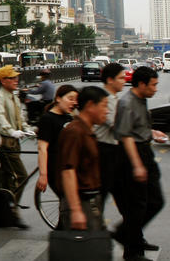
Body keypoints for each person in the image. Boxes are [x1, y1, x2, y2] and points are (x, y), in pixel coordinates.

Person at [112, 65, 167, 261]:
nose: (155, 89)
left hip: (144, 150)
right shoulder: (127, 103)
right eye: (153, 85)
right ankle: (131, 250)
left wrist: (153, 133)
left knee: (155, 201)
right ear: (141, 84)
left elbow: (139, 128)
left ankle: (127, 235)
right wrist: (136, 165)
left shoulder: (142, 99)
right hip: (132, 155)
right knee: (137, 206)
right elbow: (125, 136)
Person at [56, 85, 108, 232]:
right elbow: (68, 171)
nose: (107, 111)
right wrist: (76, 210)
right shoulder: (75, 132)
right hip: (81, 203)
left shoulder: (87, 130)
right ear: (91, 105)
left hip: (91, 202)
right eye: (104, 106)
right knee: (81, 252)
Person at [0, 64, 34, 228]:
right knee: (21, 176)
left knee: (6, 179)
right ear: (3, 81)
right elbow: (0, 118)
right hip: (5, 143)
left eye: (16, 77)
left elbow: (20, 119)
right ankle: (10, 210)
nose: (16, 80)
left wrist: (27, 129)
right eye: (12, 78)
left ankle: (1, 211)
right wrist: (11, 131)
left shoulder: (14, 97)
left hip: (14, 142)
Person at [35, 84, 78, 196]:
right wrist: (43, 175)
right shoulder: (47, 119)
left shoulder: (69, 117)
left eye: (76, 100)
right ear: (58, 98)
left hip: (69, 166)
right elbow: (42, 148)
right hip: (56, 168)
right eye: (70, 99)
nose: (74, 103)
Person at [94, 61, 125, 209]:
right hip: (103, 151)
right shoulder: (103, 99)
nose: (124, 81)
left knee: (123, 198)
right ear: (110, 80)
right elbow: (118, 126)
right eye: (121, 78)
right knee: (100, 195)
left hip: (113, 151)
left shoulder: (114, 98)